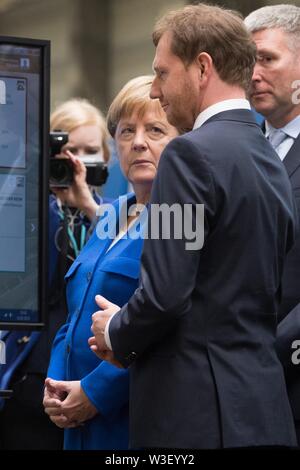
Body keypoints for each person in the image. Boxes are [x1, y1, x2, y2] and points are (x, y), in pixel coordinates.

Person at [89, 4, 298, 449]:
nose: (158, 91)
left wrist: (115, 330)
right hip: (263, 412)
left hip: (194, 417)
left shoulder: (187, 156)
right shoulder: (270, 158)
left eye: (162, 73)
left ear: (202, 67)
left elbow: (164, 295)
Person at [43, 76, 179, 450]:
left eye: (155, 130)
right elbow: (75, 312)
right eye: (125, 131)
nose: (138, 142)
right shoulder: (112, 213)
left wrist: (95, 392)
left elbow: (169, 324)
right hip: (74, 415)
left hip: (129, 419)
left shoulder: (179, 216)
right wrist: (54, 384)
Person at [0, 98, 110, 450]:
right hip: (31, 377)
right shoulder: (27, 209)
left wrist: (89, 209)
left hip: (94, 376)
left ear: (106, 158)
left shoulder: (119, 213)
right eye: (69, 150)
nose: (77, 161)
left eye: (90, 150)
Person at [244, 4, 300, 445]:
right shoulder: (237, 149)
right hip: (235, 392)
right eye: (246, 61)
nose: (253, 73)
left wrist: (266, 354)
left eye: (266, 59)